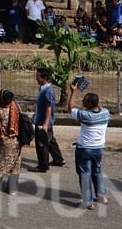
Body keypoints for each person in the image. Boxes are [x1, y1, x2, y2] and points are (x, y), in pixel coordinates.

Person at [67, 79, 109, 210]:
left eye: (84, 101)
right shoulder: (105, 113)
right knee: (97, 171)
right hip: (99, 148)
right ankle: (102, 196)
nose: (82, 102)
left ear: (89, 104)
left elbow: (70, 108)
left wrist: (73, 92)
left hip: (84, 148)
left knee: (85, 174)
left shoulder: (84, 115)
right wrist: (93, 100)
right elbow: (98, 106)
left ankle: (88, 201)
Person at [32, 67, 65, 172]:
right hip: (42, 120)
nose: (36, 79)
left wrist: (45, 124)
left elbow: (48, 108)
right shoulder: (43, 89)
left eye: (37, 76)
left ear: (43, 78)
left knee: (41, 144)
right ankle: (58, 159)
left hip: (42, 122)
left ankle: (43, 165)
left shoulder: (47, 91)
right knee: (50, 141)